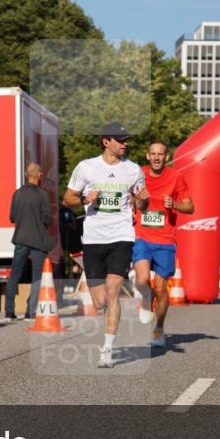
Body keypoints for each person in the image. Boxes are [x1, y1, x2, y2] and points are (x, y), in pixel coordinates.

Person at [63, 122, 147, 367]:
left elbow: (142, 205)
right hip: (93, 238)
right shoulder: (86, 167)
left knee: (113, 292)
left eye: (126, 140)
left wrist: (141, 201)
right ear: (106, 141)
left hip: (121, 236)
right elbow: (67, 198)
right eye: (120, 140)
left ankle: (107, 348)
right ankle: (108, 336)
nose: (125, 144)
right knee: (99, 300)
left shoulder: (132, 170)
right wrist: (83, 198)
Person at [131, 140, 193, 348]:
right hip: (142, 236)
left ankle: (159, 327)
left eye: (161, 154)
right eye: (153, 154)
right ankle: (146, 299)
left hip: (165, 240)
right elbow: (128, 197)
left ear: (166, 157)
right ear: (147, 156)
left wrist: (174, 204)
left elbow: (190, 207)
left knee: (161, 289)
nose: (157, 157)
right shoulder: (138, 173)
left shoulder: (175, 177)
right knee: (141, 280)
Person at [5, 162, 55, 321]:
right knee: (37, 276)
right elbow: (47, 218)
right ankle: (30, 311)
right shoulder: (42, 194)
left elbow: (12, 218)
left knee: (15, 274)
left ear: (26, 175)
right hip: (38, 241)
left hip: (20, 239)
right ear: (40, 175)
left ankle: (8, 312)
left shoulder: (17, 194)